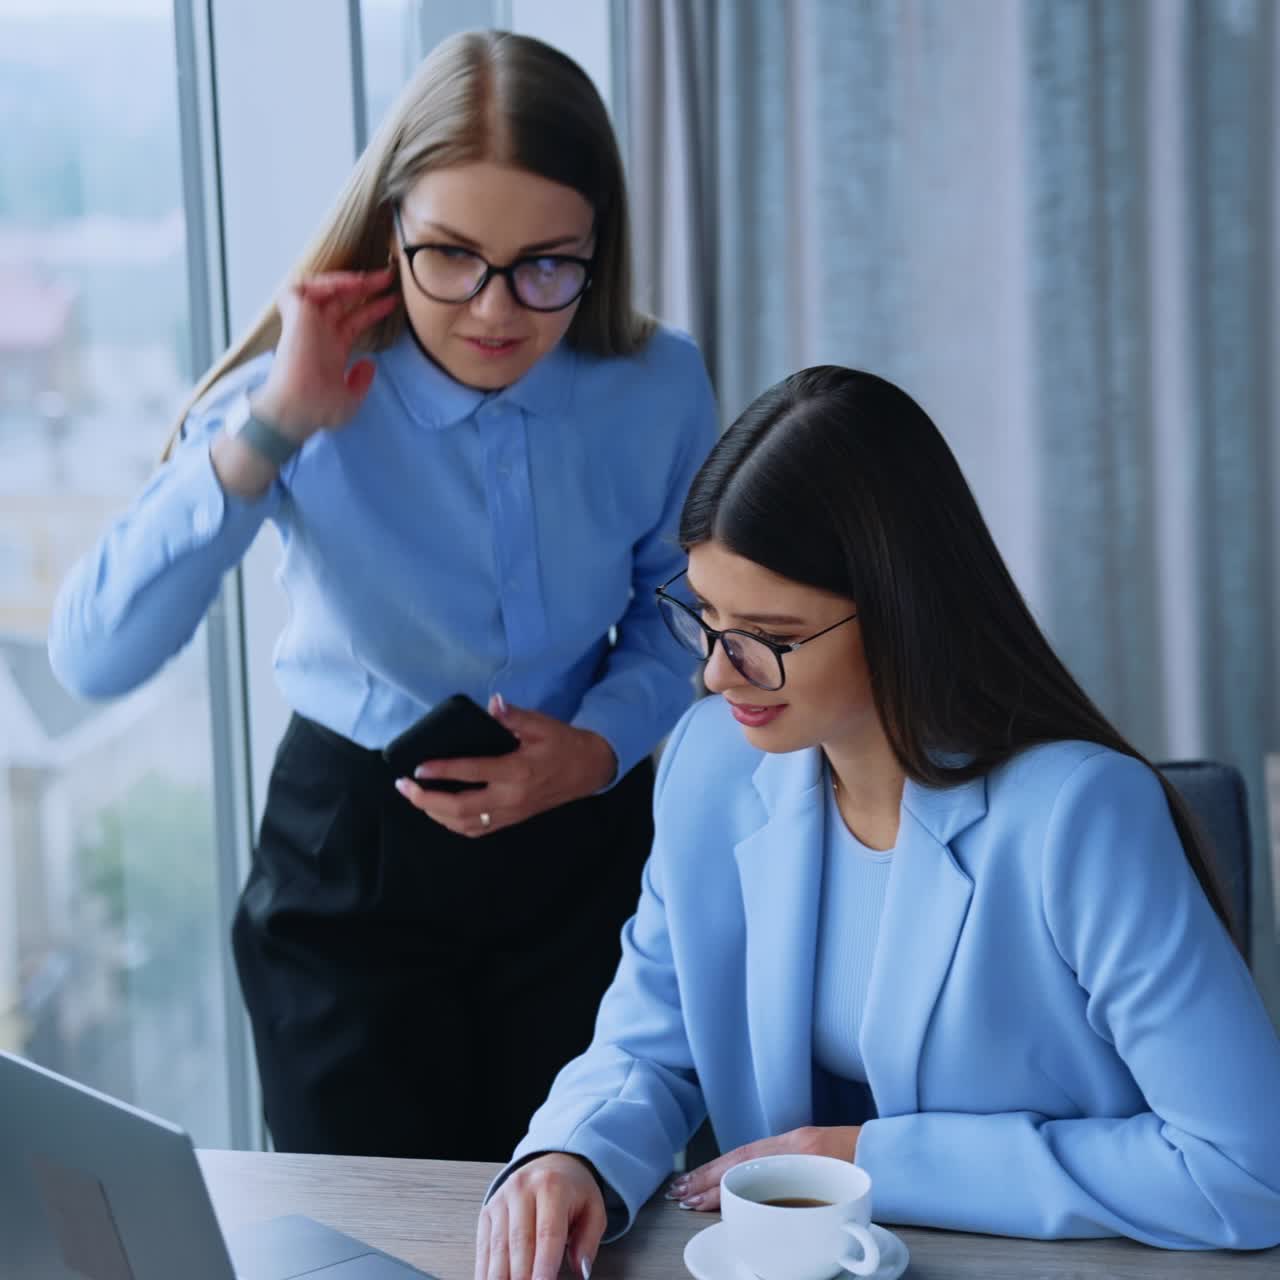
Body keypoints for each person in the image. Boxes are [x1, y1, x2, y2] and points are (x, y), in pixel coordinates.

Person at [47, 30, 717, 1162]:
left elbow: (676, 602)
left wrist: (599, 748)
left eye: (547, 263)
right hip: (347, 872)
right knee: (365, 1239)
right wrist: (275, 423)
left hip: (584, 849)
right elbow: (92, 655)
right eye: (450, 256)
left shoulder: (657, 383)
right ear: (391, 228)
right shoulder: (301, 391)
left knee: (595, 1217)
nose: (496, 311)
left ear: (601, 242)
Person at [477, 366, 1280, 1279]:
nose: (715, 673)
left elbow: (1246, 1170)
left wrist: (871, 1161)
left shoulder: (1079, 818)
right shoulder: (711, 763)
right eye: (704, 617)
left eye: (767, 638)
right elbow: (649, 1034)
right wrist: (569, 1154)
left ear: (900, 612)